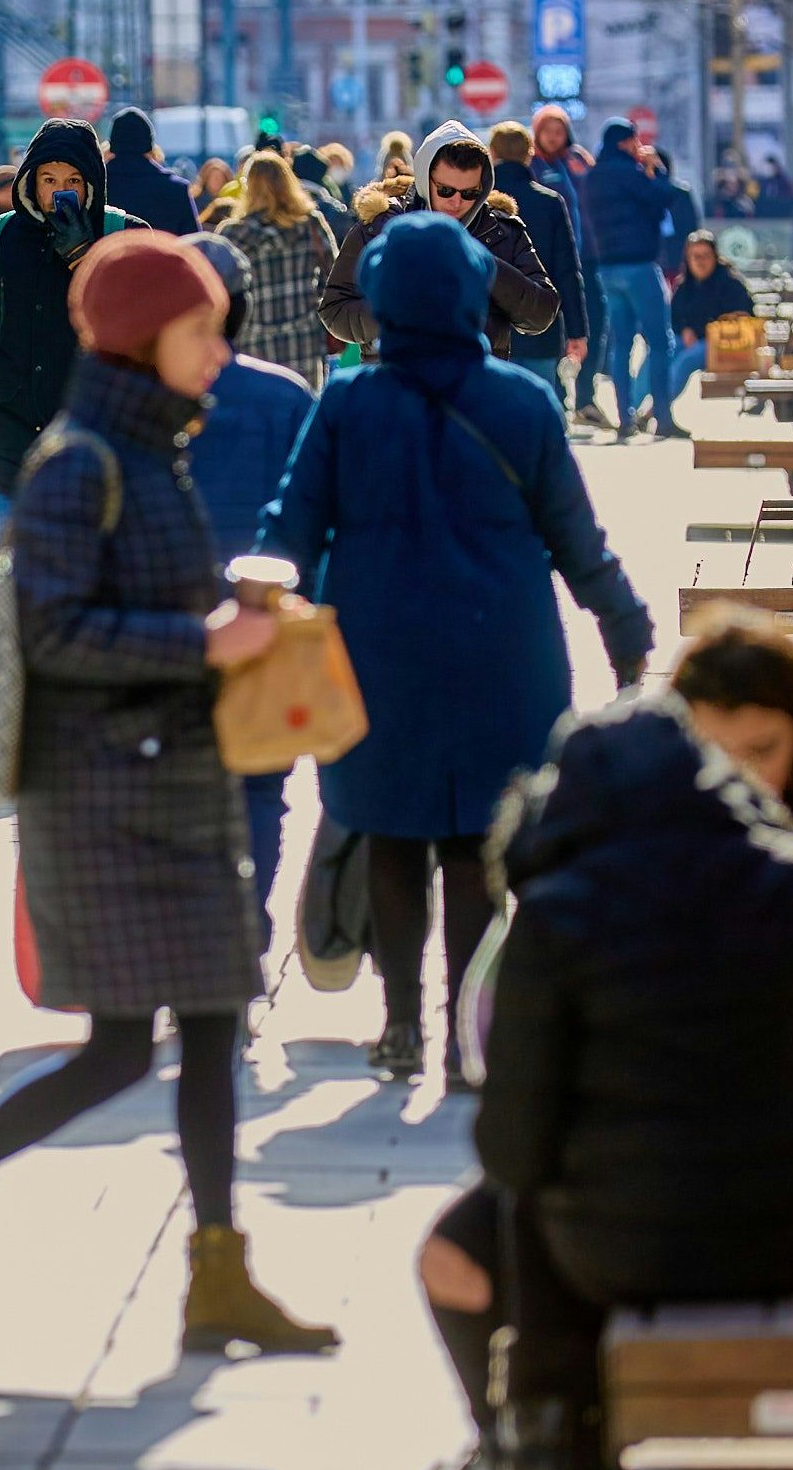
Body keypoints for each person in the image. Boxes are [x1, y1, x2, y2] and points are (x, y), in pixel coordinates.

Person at [0, 231, 337, 1358]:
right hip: (103, 795)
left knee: (210, 1021)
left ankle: (218, 1276)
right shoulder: (81, 461)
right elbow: (53, 633)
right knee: (122, 1047)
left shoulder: (152, 445)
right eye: (201, 329)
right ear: (142, 336)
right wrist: (204, 640)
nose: (219, 350)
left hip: (173, 777)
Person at [406, 609, 793, 1470]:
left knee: (549, 1225)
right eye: (710, 751)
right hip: (710, 1167)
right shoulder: (637, 860)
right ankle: (522, 1437)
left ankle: (548, 1447)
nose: (738, 778)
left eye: (762, 749)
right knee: (468, 1248)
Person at [261, 211, 654, 1084]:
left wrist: (244, 611)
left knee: (393, 837)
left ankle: (402, 1027)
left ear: (387, 301)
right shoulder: (522, 401)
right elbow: (576, 539)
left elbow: (286, 530)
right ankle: (470, 1038)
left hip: (376, 658)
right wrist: (624, 628)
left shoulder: (348, 403)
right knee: (484, 847)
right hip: (504, 658)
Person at [474, 691, 793, 1470]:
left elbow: (513, 1147)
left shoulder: (555, 913)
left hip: (614, 1258)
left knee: (519, 1202)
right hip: (779, 1238)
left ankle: (544, 1446)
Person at [0, 117, 138, 560]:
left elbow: (141, 334)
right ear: (29, 181)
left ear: (92, 181)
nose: (60, 190)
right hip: (11, 445)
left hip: (96, 450)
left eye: (73, 179)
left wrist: (82, 258)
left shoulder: (124, 236)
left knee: (77, 596)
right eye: (48, 178)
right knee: (6, 585)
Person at [181, 231, 317, 938]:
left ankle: (194, 936)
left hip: (167, 629)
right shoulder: (285, 397)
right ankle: (247, 925)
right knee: (261, 785)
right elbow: (317, 519)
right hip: (263, 618)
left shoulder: (142, 396)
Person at [321, 121, 560, 361]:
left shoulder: (502, 230)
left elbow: (542, 313)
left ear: (483, 187)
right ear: (426, 180)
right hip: (395, 382)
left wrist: (484, 266)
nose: (456, 202)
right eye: (446, 191)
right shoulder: (380, 225)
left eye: (470, 193)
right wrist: (397, 309)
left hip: (475, 382)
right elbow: (335, 310)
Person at [581, 117, 693, 439]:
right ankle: (662, 416)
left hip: (607, 267)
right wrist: (655, 169)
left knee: (621, 345)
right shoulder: (629, 172)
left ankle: (624, 418)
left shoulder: (593, 177)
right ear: (624, 142)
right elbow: (664, 196)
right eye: (635, 140)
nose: (639, 146)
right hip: (640, 266)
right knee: (660, 342)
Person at [215, 151, 339, 389]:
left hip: (252, 346)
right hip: (304, 341)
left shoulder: (232, 234)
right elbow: (332, 278)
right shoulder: (310, 224)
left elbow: (220, 293)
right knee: (304, 416)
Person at [489, 123, 592, 399]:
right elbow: (567, 272)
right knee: (539, 410)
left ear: (491, 152)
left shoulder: (478, 203)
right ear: (529, 154)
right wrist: (577, 331)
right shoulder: (550, 202)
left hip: (490, 329)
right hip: (541, 326)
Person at [529, 108, 608, 425]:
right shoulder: (531, 165)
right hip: (549, 259)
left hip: (585, 257)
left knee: (595, 324)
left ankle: (586, 396)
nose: (553, 136)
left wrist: (590, 171)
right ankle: (562, 399)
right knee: (557, 329)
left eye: (559, 130)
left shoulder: (575, 161)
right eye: (547, 130)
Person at [663, 230, 757, 396]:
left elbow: (742, 317)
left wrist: (701, 332)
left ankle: (658, 409)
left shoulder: (730, 283)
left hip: (724, 344)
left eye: (705, 256)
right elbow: (674, 318)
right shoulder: (684, 286)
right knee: (662, 352)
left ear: (715, 256)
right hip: (690, 340)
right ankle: (632, 408)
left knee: (686, 360)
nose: (701, 262)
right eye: (695, 257)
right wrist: (685, 329)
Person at [104, 107, 198, 233]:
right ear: (150, 145)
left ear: (112, 144)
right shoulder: (176, 189)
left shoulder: (98, 183)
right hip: (164, 251)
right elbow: (194, 244)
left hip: (106, 252)